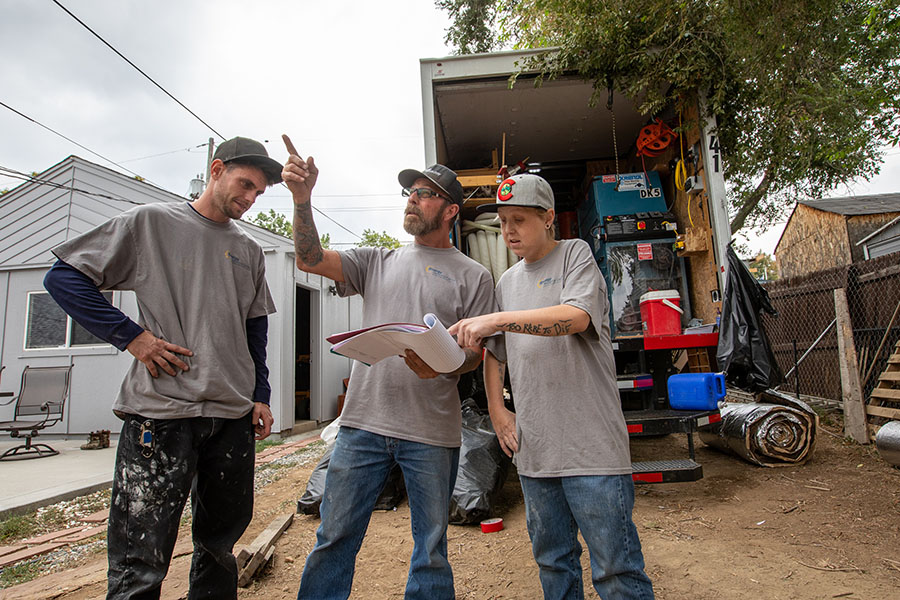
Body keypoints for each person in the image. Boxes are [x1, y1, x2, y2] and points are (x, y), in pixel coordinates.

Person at [43, 136, 282, 600]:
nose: (251, 198)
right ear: (216, 169)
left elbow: (255, 331)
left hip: (231, 416)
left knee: (218, 547)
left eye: (259, 193)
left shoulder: (249, 250)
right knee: (141, 557)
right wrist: (134, 338)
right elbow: (64, 278)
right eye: (245, 184)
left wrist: (261, 395)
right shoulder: (151, 223)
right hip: (161, 412)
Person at [281, 135, 495, 600]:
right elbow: (310, 258)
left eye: (424, 194)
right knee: (334, 538)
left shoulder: (474, 276)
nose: (413, 201)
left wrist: (442, 367)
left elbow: (477, 353)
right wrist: (302, 199)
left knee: (431, 549)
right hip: (362, 426)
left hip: (433, 433)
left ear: (451, 210)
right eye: (410, 193)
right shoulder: (376, 261)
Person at [449, 174, 655, 600]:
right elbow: (495, 356)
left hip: (591, 450)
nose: (508, 232)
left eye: (519, 220)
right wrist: (498, 409)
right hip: (536, 452)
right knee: (553, 563)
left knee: (616, 569)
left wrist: (499, 320)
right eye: (503, 221)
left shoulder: (575, 256)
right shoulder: (506, 283)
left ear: (547, 219)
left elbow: (576, 318)